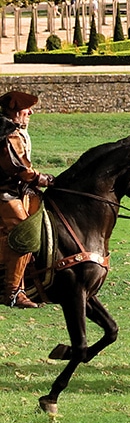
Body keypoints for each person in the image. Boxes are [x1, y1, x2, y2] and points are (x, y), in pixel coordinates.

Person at [0, 90, 52, 308]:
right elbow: (20, 169)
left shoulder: (15, 130)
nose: (30, 112)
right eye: (26, 110)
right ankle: (13, 292)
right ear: (15, 112)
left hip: (15, 191)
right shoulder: (8, 134)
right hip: (4, 193)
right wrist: (44, 179)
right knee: (25, 235)